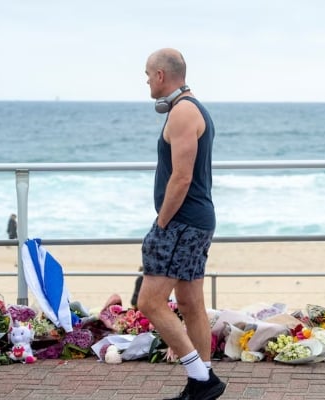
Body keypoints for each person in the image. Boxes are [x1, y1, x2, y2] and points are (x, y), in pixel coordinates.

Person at [137, 48, 225, 400]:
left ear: (161, 75)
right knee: (189, 303)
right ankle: (201, 383)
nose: (146, 81)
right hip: (194, 220)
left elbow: (182, 177)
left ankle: (202, 378)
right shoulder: (188, 108)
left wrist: (161, 224)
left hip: (182, 222)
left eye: (148, 74)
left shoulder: (184, 112)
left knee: (149, 302)